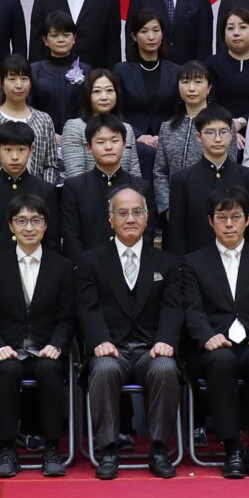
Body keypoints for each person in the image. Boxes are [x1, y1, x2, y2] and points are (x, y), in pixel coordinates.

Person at [77, 185, 182, 478]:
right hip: (112, 348)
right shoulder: (90, 261)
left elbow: (174, 307)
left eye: (137, 212)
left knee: (165, 368)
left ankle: (159, 450)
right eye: (122, 213)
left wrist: (165, 340)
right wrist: (99, 340)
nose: (130, 218)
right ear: (110, 220)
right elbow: (87, 307)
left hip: (151, 349)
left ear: (147, 218)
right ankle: (108, 451)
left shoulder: (167, 262)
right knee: (104, 369)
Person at [179, 186, 249, 476]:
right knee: (221, 361)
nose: (229, 224)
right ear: (210, 221)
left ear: (247, 220)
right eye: (221, 217)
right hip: (214, 344)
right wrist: (206, 336)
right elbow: (192, 309)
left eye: (235, 217)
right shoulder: (193, 262)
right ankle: (232, 448)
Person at [0, 193, 77, 478]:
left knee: (49, 369)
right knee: (7, 371)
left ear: (45, 225)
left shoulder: (62, 266)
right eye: (21, 221)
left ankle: (52, 448)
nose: (29, 227)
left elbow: (67, 317)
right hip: (8, 349)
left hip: (46, 349)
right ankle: (7, 448)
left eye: (36, 220)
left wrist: (57, 344)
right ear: (11, 226)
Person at [169, 109, 249, 254]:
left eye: (223, 132)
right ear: (198, 137)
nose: (218, 139)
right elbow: (177, 234)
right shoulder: (182, 180)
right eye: (210, 133)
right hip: (196, 262)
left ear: (231, 135)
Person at [150, 62, 234, 214]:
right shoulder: (167, 127)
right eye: (185, 81)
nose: (191, 88)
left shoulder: (223, 124)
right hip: (175, 208)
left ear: (209, 87)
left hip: (214, 209)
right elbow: (160, 172)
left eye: (198, 81)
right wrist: (167, 208)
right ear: (178, 87)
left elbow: (230, 167)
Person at [0, 125, 63, 264]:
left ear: (31, 150)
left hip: (36, 266)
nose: (15, 157)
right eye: (8, 150)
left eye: (21, 150)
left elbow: (52, 240)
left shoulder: (46, 190)